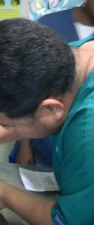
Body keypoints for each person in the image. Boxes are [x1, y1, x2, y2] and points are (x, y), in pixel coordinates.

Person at [0, 18, 94, 224]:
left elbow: (68, 221)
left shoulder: (88, 131)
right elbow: (31, 113)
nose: (4, 129)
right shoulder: (72, 57)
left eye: (8, 125)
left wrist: (2, 194)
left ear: (51, 109)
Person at [13, 0, 94, 168]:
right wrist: (25, 146)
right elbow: (27, 93)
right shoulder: (51, 24)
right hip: (46, 144)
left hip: (84, 150)